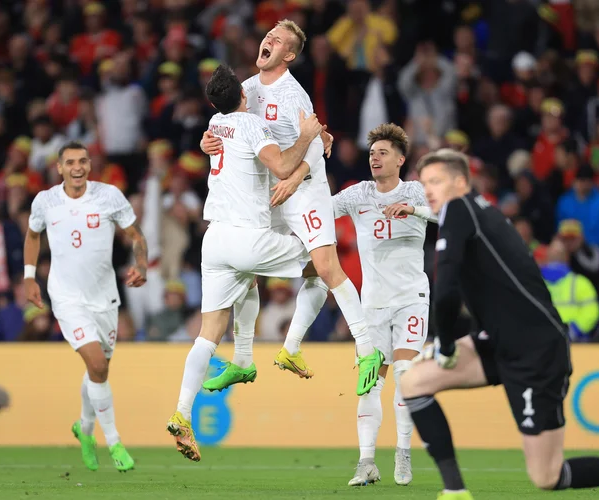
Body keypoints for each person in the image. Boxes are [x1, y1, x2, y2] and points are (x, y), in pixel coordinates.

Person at [400, 148, 599, 500]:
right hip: (499, 340)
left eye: (436, 181)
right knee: (414, 382)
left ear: (460, 181)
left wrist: (445, 345)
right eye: (424, 182)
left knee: (547, 475)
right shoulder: (478, 209)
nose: (428, 189)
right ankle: (455, 491)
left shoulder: (459, 209)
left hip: (535, 350)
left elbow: (445, 291)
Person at [201, 19, 384, 397]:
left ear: (289, 54)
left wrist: (295, 177)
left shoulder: (293, 95)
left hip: (304, 189)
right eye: (268, 35)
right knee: (245, 269)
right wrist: (208, 140)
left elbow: (315, 144)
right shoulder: (247, 89)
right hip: (270, 191)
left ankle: (367, 350)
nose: (268, 39)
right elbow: (227, 125)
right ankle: (250, 358)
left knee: (327, 266)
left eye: (278, 40)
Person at [166, 64, 324, 462]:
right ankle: (290, 348)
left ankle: (184, 410)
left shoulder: (215, 124)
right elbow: (283, 167)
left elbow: (217, 139)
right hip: (246, 236)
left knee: (209, 332)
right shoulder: (251, 124)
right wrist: (307, 136)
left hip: (214, 239)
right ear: (241, 94)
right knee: (323, 264)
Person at [24, 141, 148, 472]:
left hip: (105, 297)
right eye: (69, 162)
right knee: (97, 364)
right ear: (59, 168)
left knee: (98, 369)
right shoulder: (46, 201)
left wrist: (142, 265)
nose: (77, 167)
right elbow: (33, 235)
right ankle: (115, 442)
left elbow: (135, 235)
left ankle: (84, 428)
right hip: (66, 297)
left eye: (82, 161)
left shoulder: (109, 196)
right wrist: (28, 277)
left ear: (90, 165)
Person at [330, 123, 437, 486]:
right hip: (372, 304)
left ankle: (403, 453)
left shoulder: (417, 191)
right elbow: (319, 211)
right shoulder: (357, 194)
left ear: (400, 159)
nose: (374, 158)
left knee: (405, 377)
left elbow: (450, 213)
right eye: (372, 152)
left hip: (410, 298)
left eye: (383, 152)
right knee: (370, 383)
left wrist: (414, 210)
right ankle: (366, 462)